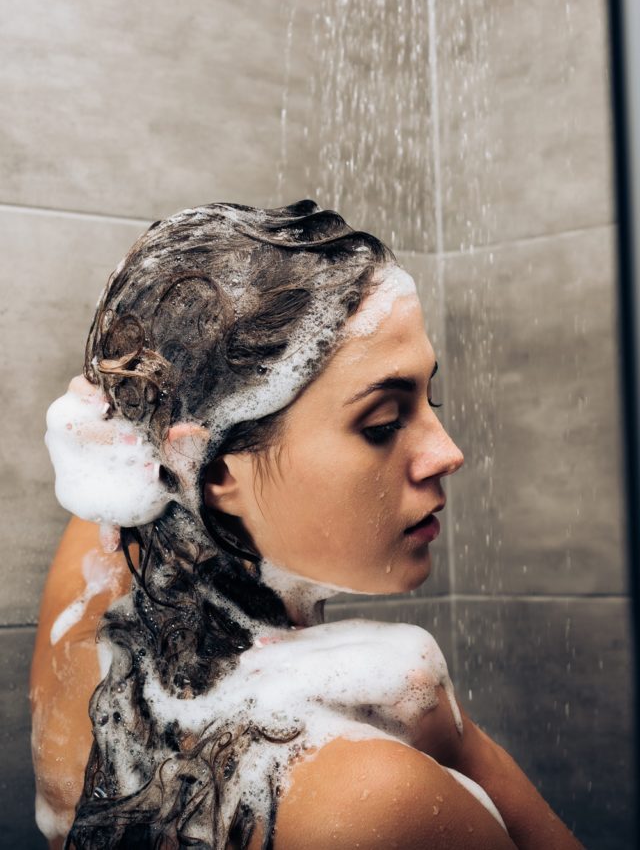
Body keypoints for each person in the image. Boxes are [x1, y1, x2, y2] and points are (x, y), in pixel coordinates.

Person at [31, 200, 583, 849]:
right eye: (381, 423)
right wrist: (465, 747)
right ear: (211, 472)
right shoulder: (382, 806)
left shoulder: (94, 619)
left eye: (428, 398)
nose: (447, 452)